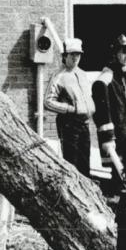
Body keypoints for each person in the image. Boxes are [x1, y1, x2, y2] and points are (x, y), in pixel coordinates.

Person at [92, 34, 126, 193]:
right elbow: (101, 110)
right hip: (118, 135)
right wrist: (108, 136)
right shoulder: (106, 78)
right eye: (123, 51)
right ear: (114, 53)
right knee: (119, 177)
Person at [44, 37, 94, 176]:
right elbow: (48, 101)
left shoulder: (82, 74)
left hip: (84, 124)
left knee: (85, 163)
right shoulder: (59, 76)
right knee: (72, 164)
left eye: (78, 54)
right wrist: (69, 109)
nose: (75, 58)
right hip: (69, 125)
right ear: (64, 56)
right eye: (72, 54)